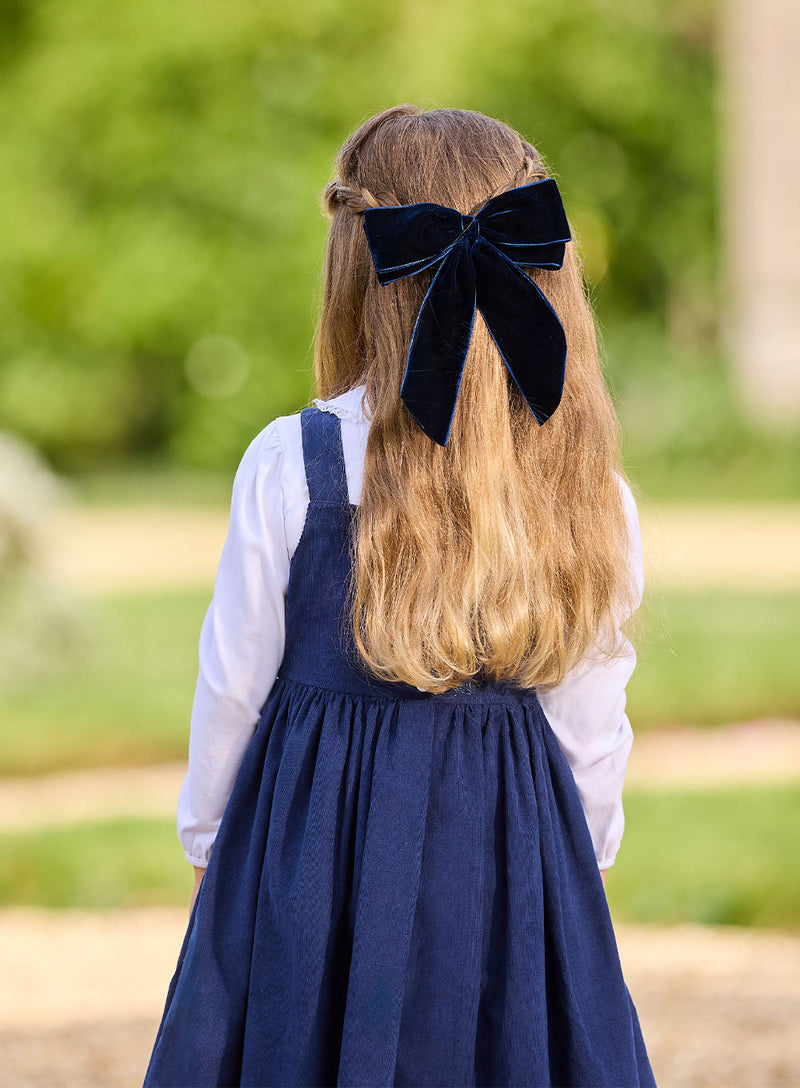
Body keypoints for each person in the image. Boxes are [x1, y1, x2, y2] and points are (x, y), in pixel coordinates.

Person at [143, 104, 656, 1087]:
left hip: (309, 857)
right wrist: (573, 863)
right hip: (508, 856)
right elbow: (593, 701)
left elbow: (234, 679)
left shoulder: (293, 461)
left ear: (354, 267)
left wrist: (213, 841)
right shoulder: (587, 486)